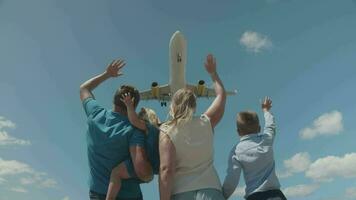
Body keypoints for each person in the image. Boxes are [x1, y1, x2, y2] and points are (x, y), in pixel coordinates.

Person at [79, 59, 153, 200]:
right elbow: (142, 171)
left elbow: (84, 88)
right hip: (128, 195)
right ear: (134, 106)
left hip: (98, 194)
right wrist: (151, 173)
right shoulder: (134, 130)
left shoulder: (95, 115)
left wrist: (107, 74)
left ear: (114, 100)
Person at [159, 54, 227, 200]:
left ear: (173, 105)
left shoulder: (166, 130)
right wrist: (213, 73)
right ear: (195, 106)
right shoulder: (206, 122)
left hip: (181, 192)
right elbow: (221, 95)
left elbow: (166, 169)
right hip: (211, 190)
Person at [222, 97, 287, 200]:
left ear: (238, 132)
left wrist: (222, 196)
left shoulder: (236, 151)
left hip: (254, 196)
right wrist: (266, 110)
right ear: (259, 128)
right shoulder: (266, 140)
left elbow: (232, 180)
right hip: (276, 195)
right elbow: (270, 126)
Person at [106, 93, 161, 200]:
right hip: (153, 169)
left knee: (115, 173)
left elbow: (134, 120)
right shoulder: (158, 132)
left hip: (140, 164)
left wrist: (129, 105)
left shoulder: (147, 127)